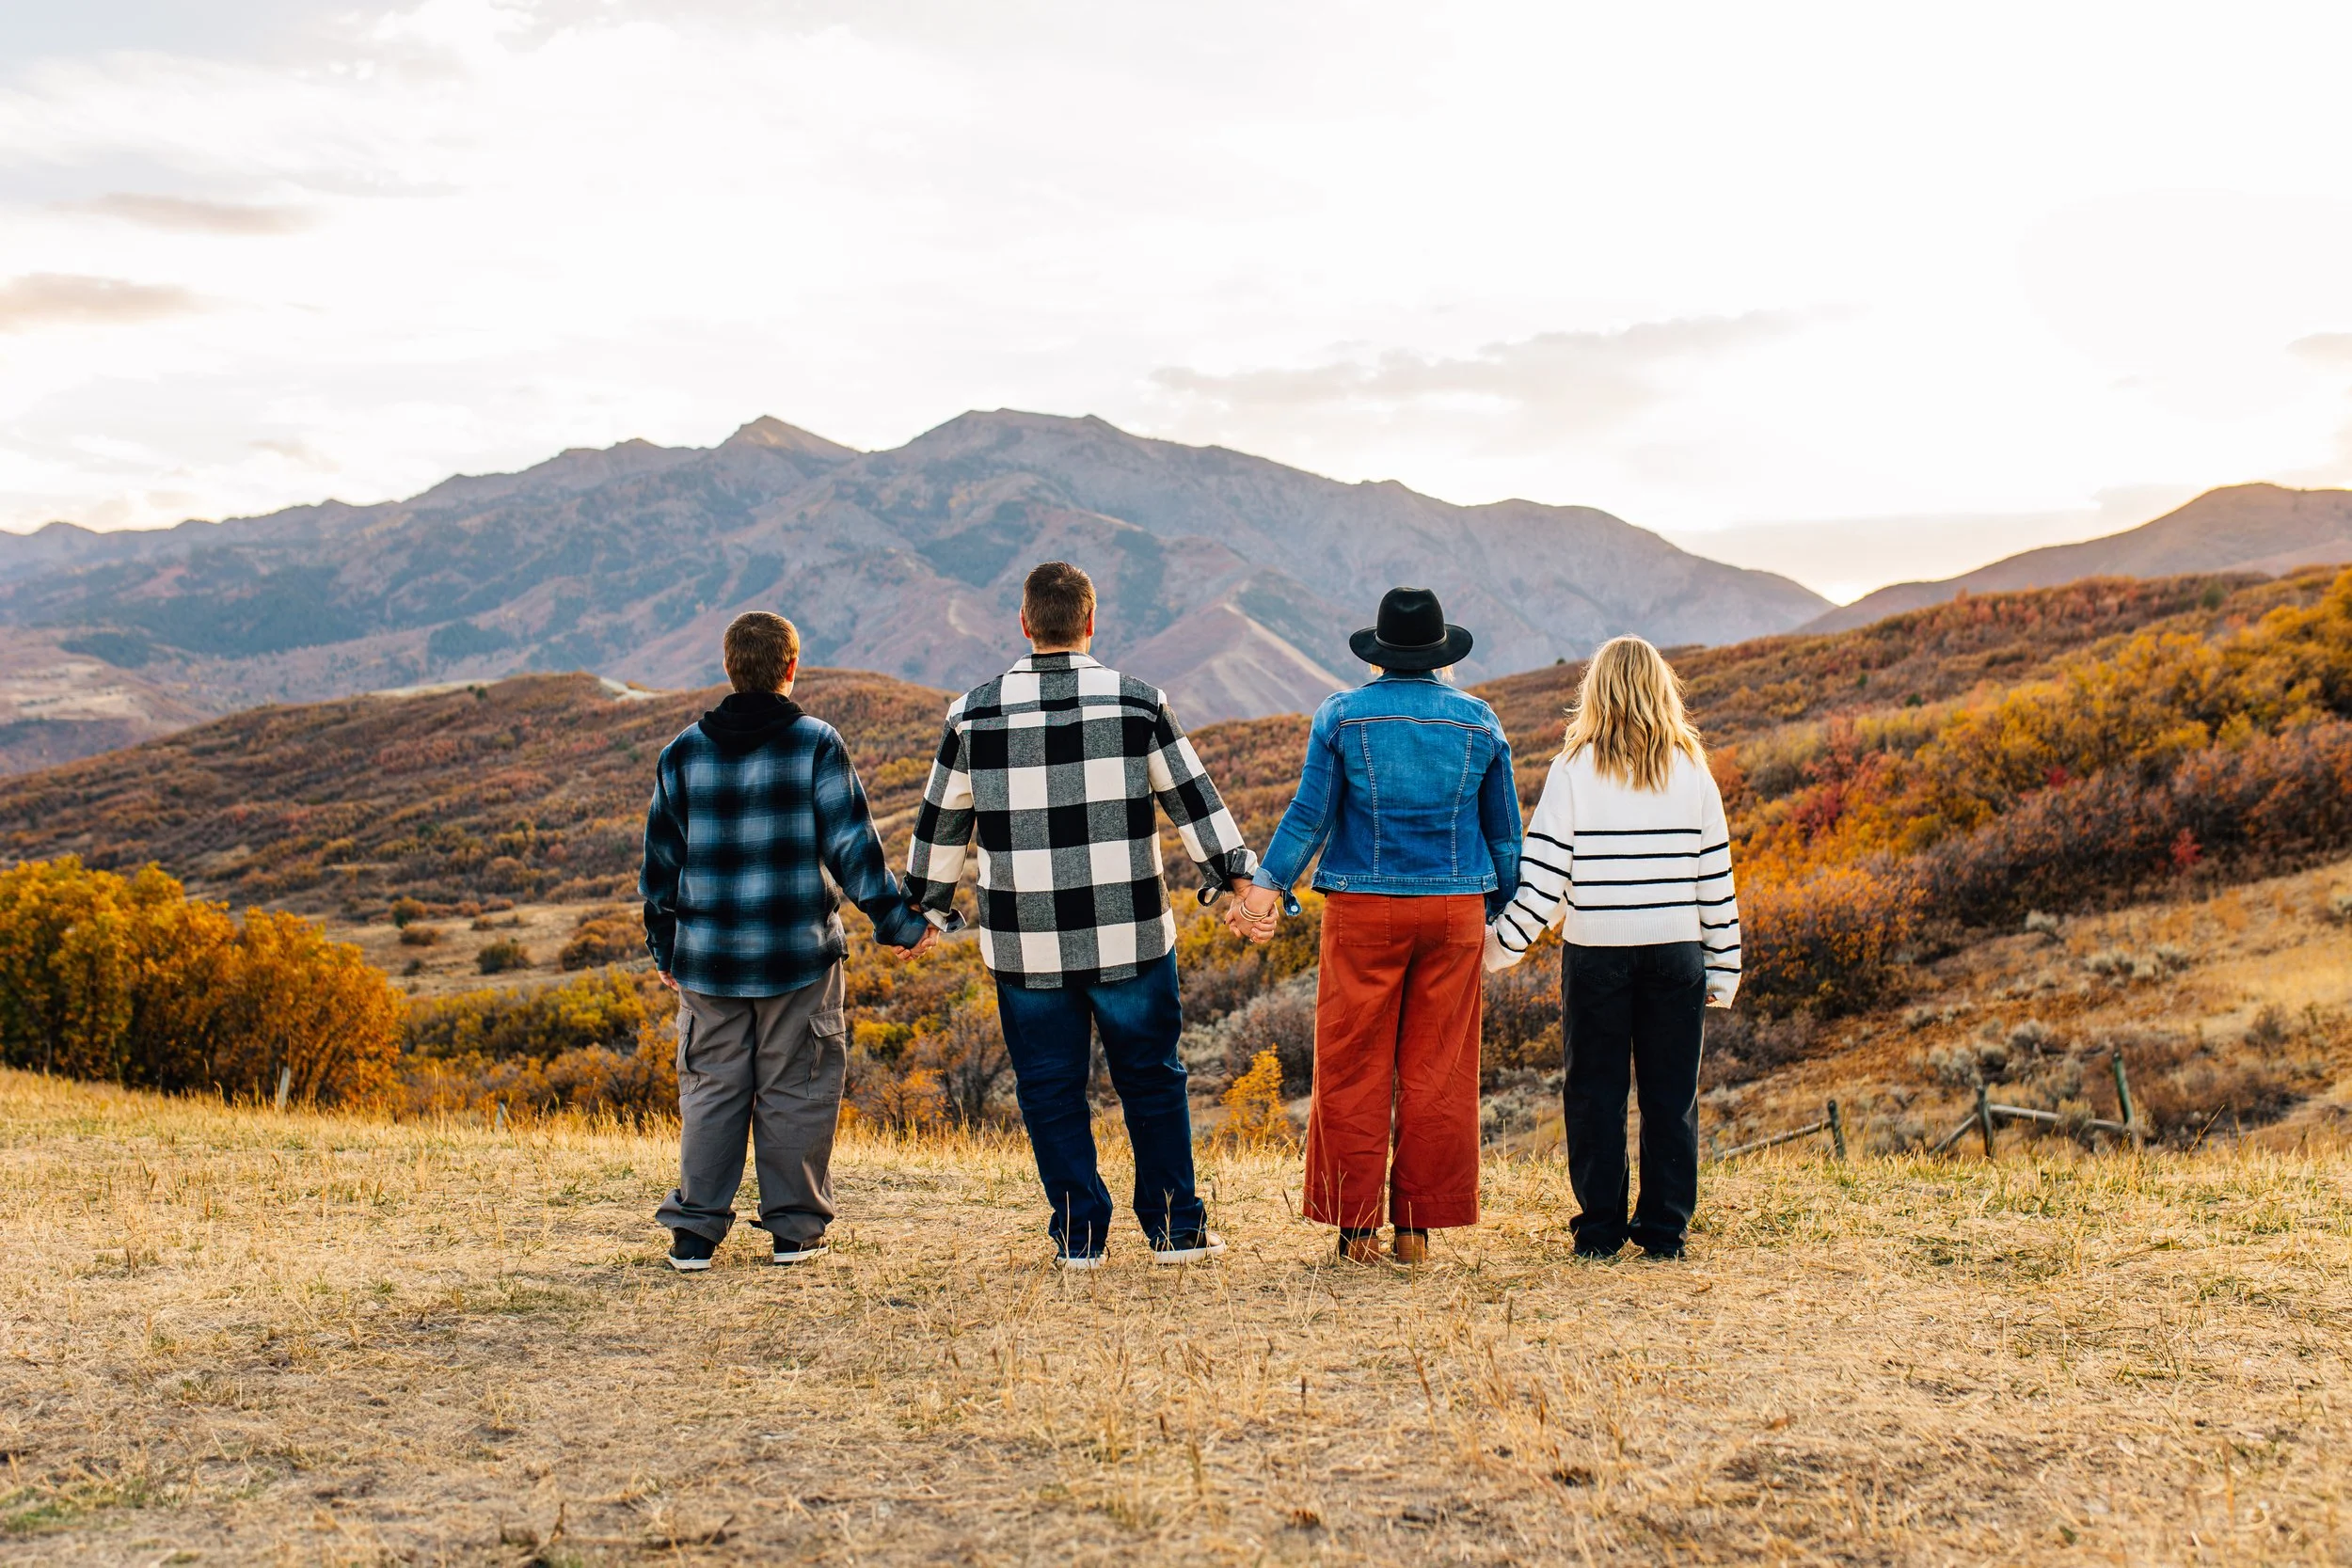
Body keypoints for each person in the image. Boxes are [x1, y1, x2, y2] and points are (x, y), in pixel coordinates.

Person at [903, 562, 1257, 1268]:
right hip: (1130, 932)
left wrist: (926, 911)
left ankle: (1079, 1237)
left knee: (1049, 1090)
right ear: (1091, 623)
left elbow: (942, 826)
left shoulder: (972, 712)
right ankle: (1175, 1231)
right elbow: (1193, 800)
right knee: (1153, 1079)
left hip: (1025, 945)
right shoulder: (1138, 703)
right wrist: (1234, 883)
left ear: (1026, 625)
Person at [1231, 587, 1521, 1266]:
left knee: (1353, 1065)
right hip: (1454, 911)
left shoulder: (1342, 715)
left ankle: (1356, 1230)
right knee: (1439, 1070)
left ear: (1380, 654)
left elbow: (1310, 816)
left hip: (1362, 909)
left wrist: (1268, 888)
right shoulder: (1480, 722)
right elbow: (1505, 835)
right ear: (1441, 655)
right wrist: (1509, 909)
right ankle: (1416, 1232)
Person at [641, 610, 934, 1273]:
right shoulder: (815, 744)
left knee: (711, 1088)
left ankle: (695, 1233)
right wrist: (901, 925)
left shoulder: (683, 752)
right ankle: (795, 1232)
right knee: (798, 1086)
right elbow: (854, 851)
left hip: (708, 961)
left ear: (728, 668)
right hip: (799, 954)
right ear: (791, 668)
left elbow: (659, 867)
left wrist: (667, 948)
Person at [1484, 635, 1740, 1261]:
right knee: (1670, 1096)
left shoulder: (1574, 769)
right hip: (1678, 951)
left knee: (1594, 1092)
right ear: (1661, 689)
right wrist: (1725, 966)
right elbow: (1715, 875)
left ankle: (1599, 1230)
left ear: (1595, 691)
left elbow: (1543, 876)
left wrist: (1496, 948)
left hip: (1596, 951)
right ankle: (1664, 1233)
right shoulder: (1692, 767)